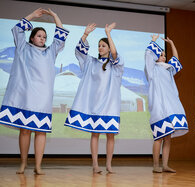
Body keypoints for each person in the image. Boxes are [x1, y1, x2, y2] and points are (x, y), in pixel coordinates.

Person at [0, 8, 69, 174]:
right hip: (25, 95)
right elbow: (17, 29)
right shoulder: (23, 47)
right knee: (25, 130)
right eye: (39, 35)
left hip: (42, 97)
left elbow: (60, 38)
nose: (42, 38)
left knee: (41, 131)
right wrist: (32, 16)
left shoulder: (50, 52)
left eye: (44, 37)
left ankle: (38, 166)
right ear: (32, 37)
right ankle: (23, 163)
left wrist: (55, 16)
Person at [64, 22, 123, 173]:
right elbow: (79, 52)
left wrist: (108, 33)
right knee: (95, 134)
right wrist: (85, 34)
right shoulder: (91, 62)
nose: (100, 48)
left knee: (110, 135)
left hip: (110, 104)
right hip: (94, 105)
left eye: (103, 45)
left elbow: (115, 54)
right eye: (99, 45)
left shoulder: (115, 65)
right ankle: (95, 165)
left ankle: (109, 165)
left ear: (109, 47)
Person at [144, 34, 188, 173]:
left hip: (171, 106)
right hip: (159, 106)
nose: (164, 56)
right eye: (161, 55)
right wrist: (153, 41)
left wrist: (172, 44)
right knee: (159, 137)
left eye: (164, 55)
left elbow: (176, 60)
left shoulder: (168, 69)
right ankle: (156, 165)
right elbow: (148, 55)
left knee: (168, 137)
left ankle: (165, 165)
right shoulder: (152, 69)